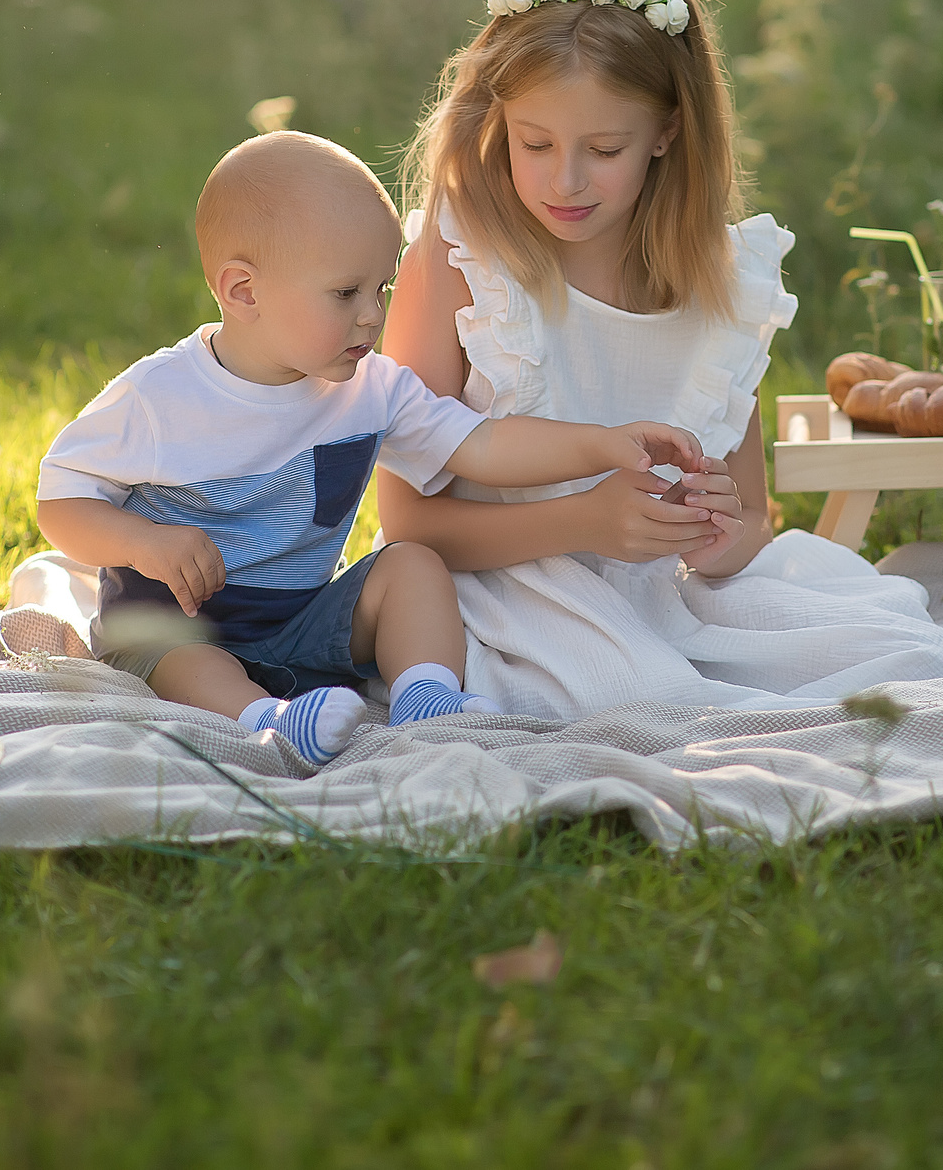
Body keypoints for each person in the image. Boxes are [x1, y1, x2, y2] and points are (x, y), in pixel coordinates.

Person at [378, 0, 943, 718]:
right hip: (507, 595)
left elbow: (751, 518)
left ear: (666, 132)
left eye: (604, 149)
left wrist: (713, 534)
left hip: (667, 594)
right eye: (535, 143)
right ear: (498, 121)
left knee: (906, 655)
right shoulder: (461, 262)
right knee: (641, 699)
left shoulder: (718, 282)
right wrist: (586, 522)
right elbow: (408, 525)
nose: (565, 179)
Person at [36, 130, 709, 764]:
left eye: (381, 288)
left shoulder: (371, 389)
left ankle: (425, 695)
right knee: (188, 658)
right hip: (172, 627)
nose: (372, 314)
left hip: (298, 620)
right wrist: (143, 542)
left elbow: (482, 444)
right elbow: (59, 501)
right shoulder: (159, 398)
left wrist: (602, 445)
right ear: (244, 291)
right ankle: (268, 722)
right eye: (345, 293)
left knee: (411, 564)